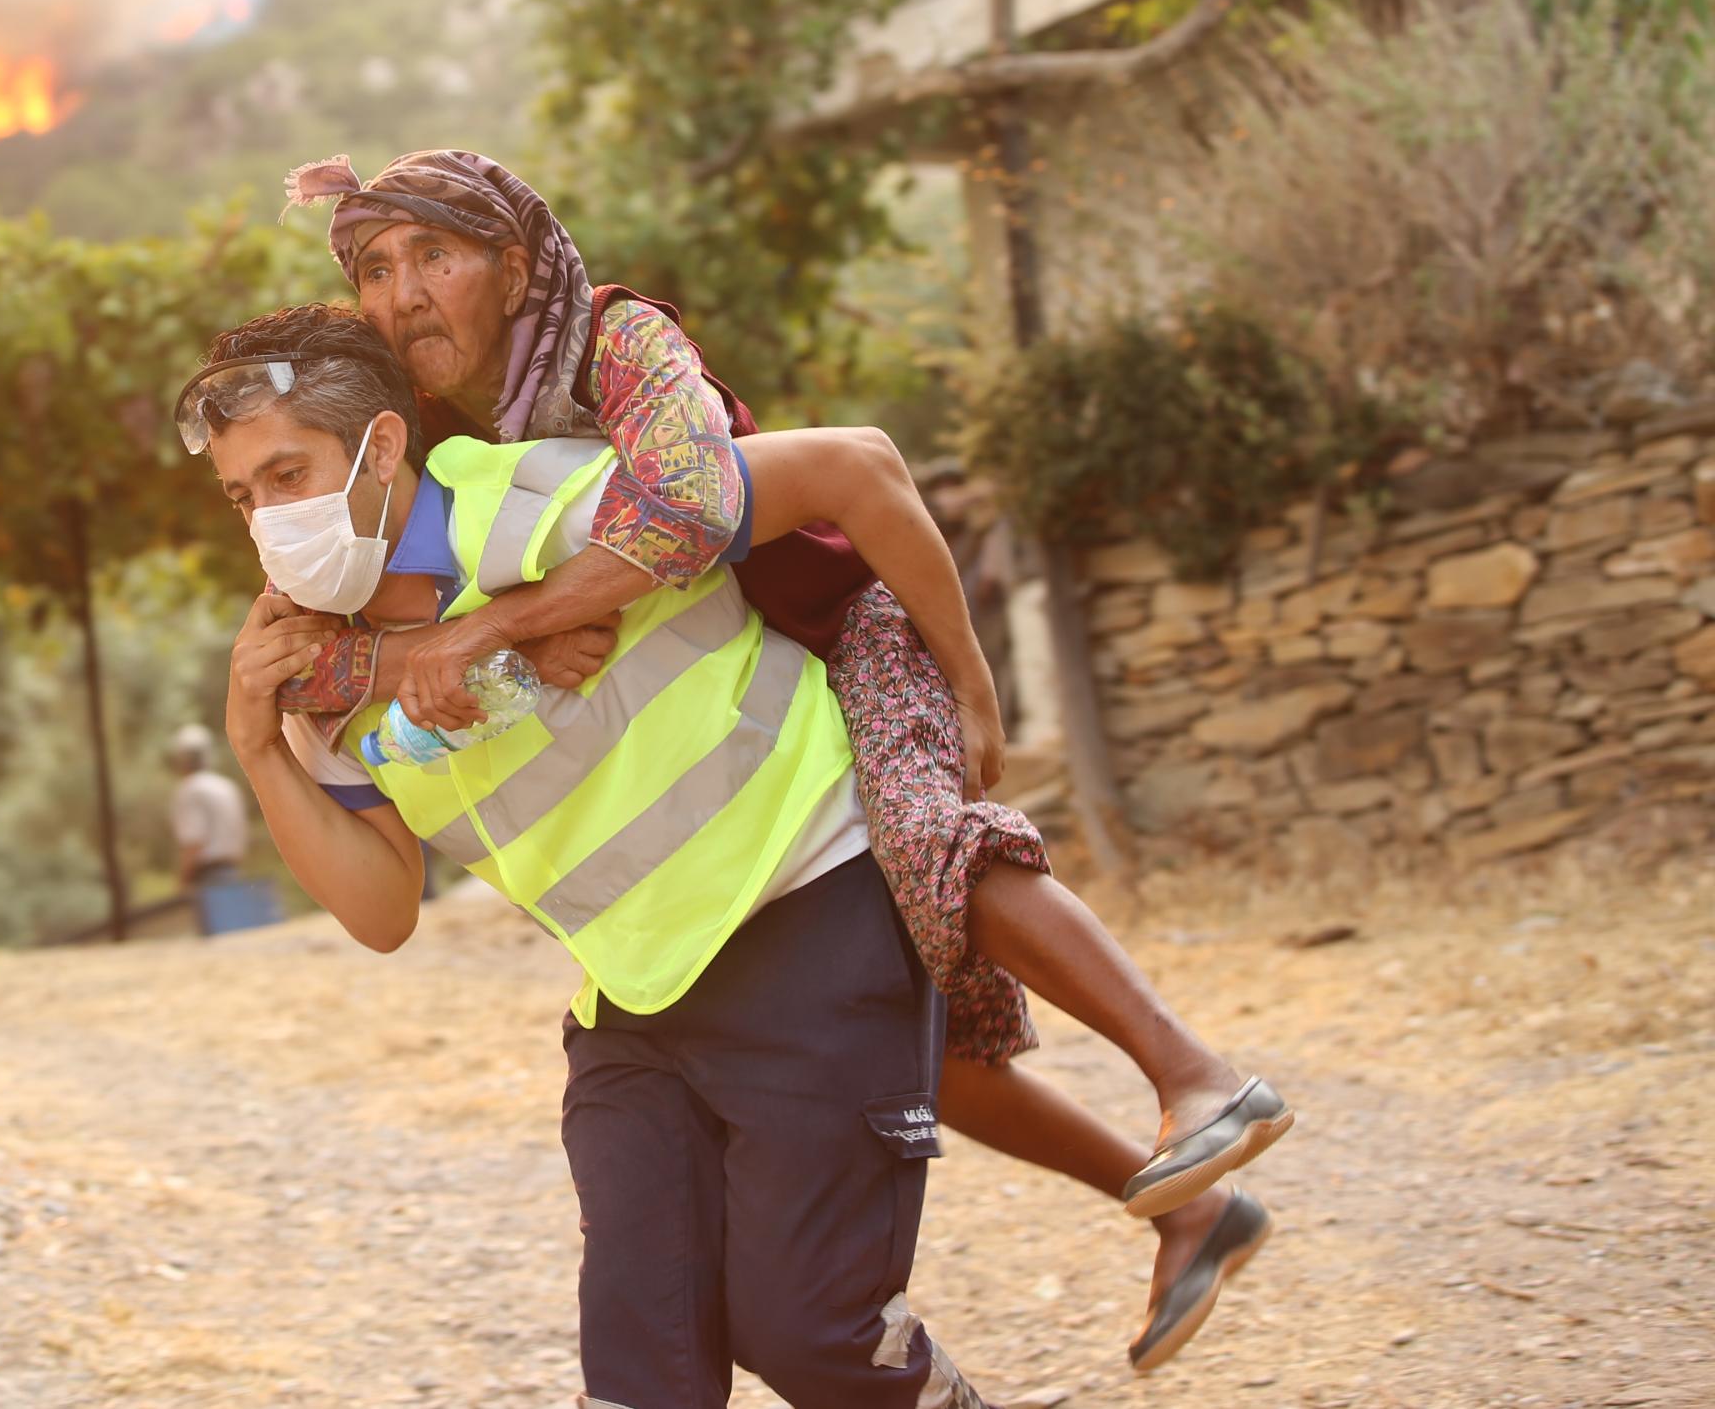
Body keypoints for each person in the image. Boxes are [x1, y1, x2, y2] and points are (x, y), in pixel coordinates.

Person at [275, 149, 1290, 1372]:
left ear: (514, 261)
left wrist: (967, 679)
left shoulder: (618, 342)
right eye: (375, 269)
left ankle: (1200, 1077)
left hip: (849, 616)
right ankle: (1186, 1202)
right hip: (752, 661)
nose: (400, 295)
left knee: (928, 847)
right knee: (932, 1067)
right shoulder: (445, 430)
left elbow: (697, 513)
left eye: (432, 257)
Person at [183, 305, 988, 1407]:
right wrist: (257, 748)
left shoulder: (542, 500)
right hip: (636, 1000)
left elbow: (855, 467)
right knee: (636, 1378)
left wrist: (970, 692)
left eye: (288, 474)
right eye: (243, 495)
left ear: (379, 446)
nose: (269, 519)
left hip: (810, 913)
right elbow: (381, 911)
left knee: (816, 1339)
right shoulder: (311, 676)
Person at [167, 724, 252, 934]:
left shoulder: (190, 790)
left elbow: (194, 842)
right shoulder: (226, 786)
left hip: (207, 877)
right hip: (233, 871)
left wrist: (182, 880)